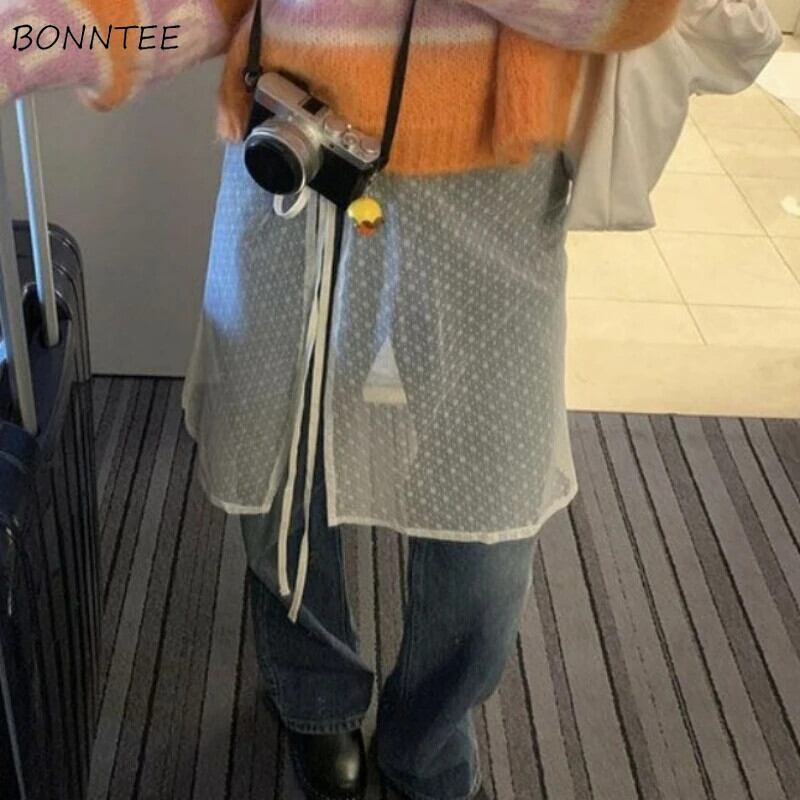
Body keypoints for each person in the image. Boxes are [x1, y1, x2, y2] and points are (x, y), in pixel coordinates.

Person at [2, 2, 731, 798]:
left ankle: (429, 734)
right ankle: (315, 697)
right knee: (279, 464)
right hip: (294, 144)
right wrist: (50, 36)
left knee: (489, 513)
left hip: (492, 174)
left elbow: (633, 14)